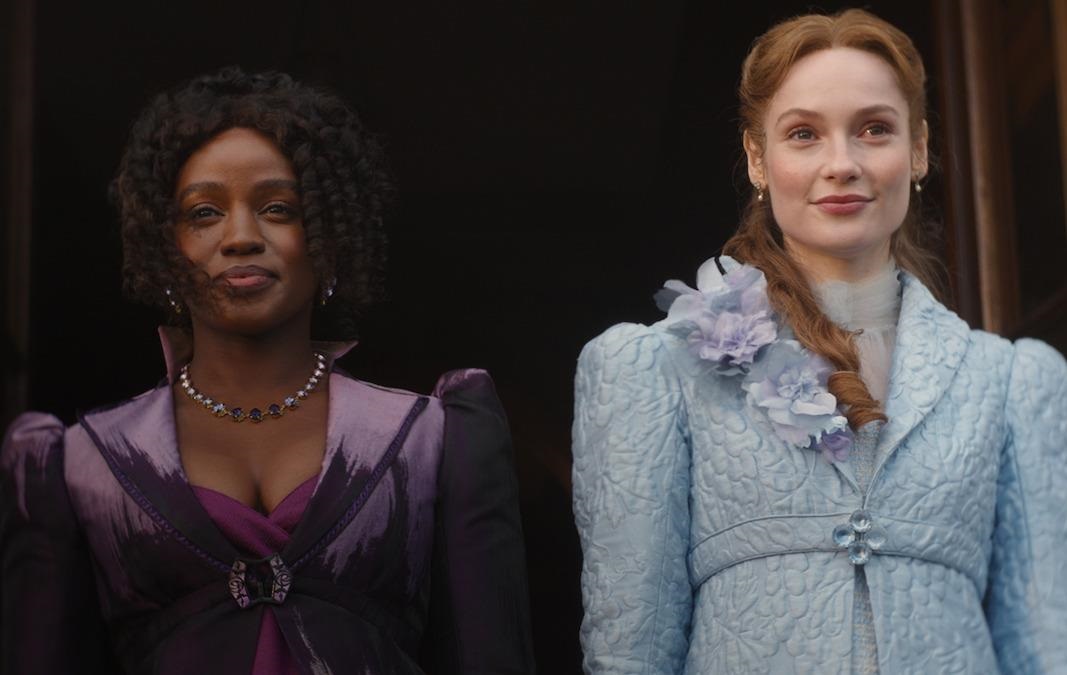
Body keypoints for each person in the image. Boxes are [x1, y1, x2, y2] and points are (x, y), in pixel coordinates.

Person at [572, 9, 1067, 674]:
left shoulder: (1011, 383)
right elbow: (628, 649)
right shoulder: (655, 369)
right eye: (803, 134)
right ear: (758, 159)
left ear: (918, 150)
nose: (842, 164)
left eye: (874, 129)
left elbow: (1045, 648)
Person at [1, 67, 535, 674]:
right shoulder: (80, 463)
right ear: (166, 248)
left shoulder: (433, 439)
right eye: (204, 212)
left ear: (327, 237)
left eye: (278, 208)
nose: (241, 237)